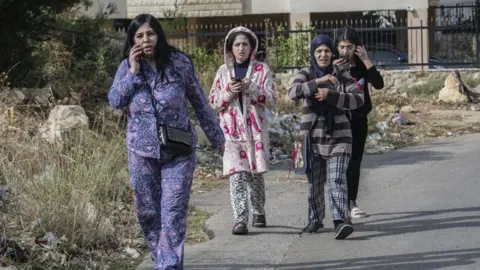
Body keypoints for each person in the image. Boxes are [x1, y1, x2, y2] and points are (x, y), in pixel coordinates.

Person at [108, 14, 224, 269]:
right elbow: (115, 101)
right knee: (148, 214)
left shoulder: (179, 63)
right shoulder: (126, 68)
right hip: (141, 152)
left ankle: (168, 266)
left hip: (178, 151)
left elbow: (200, 102)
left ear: (159, 36)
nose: (145, 39)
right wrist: (133, 71)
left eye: (150, 34)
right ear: (132, 41)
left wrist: (218, 138)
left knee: (172, 212)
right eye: (139, 36)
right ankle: (162, 260)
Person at [288, 34, 364, 239]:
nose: (323, 55)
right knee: (315, 183)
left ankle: (341, 221)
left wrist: (330, 95)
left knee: (337, 179)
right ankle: (315, 219)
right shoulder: (305, 73)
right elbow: (293, 92)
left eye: (327, 51)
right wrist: (319, 81)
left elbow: (358, 99)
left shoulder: (342, 73)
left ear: (332, 53)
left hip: (339, 136)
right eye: (319, 51)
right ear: (313, 53)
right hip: (311, 138)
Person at [209, 26, 277, 235]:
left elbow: (273, 100)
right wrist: (229, 91)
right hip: (231, 134)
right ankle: (240, 219)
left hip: (255, 132)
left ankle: (258, 210)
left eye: (245, 44)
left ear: (252, 47)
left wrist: (252, 89)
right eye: (237, 44)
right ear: (230, 47)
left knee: (254, 175)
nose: (241, 48)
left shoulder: (261, 70)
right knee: (236, 175)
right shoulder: (222, 72)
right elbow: (213, 101)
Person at [334, 27, 384, 219]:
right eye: (341, 47)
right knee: (339, 163)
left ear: (357, 47)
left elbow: (378, 84)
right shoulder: (334, 64)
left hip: (359, 119)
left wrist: (366, 60)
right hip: (339, 120)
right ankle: (339, 203)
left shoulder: (363, 66)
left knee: (355, 161)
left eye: (349, 47)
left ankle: (352, 203)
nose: (345, 51)